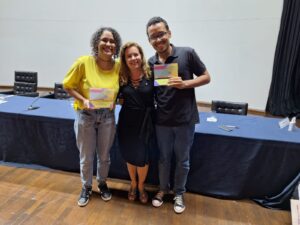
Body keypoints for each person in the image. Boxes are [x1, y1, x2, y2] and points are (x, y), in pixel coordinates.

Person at [146, 17, 211, 213]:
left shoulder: (187, 53)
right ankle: (163, 189)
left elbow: (207, 77)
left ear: (169, 33)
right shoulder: (151, 62)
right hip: (162, 120)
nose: (158, 39)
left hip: (184, 120)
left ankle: (179, 193)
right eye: (153, 37)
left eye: (161, 34)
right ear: (149, 40)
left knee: (182, 160)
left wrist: (185, 84)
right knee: (164, 159)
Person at [63, 27, 122, 207]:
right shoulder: (83, 62)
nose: (108, 44)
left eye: (112, 41)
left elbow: (124, 88)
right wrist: (83, 100)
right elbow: (67, 85)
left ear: (116, 45)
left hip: (107, 117)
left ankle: (102, 183)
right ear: (96, 42)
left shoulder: (119, 66)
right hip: (86, 115)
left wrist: (117, 100)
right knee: (86, 156)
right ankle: (86, 186)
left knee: (104, 156)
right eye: (104, 40)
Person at [117, 42, 154, 204]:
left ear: (141, 55)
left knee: (144, 157)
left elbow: (168, 92)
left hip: (146, 123)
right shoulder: (120, 77)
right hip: (126, 123)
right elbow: (113, 96)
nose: (133, 58)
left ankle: (141, 185)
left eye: (135, 54)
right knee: (130, 155)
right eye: (129, 56)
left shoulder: (153, 73)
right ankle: (132, 183)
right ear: (124, 60)